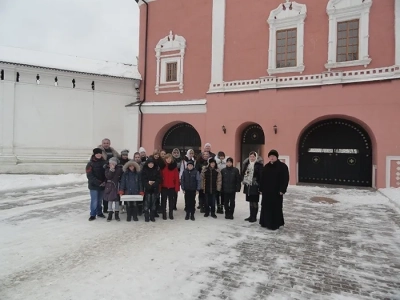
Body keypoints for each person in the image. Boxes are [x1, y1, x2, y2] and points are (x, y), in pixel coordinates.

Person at [259, 150, 289, 230]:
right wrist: (261, 188)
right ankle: (265, 222)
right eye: (270, 156)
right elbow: (262, 178)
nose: (272, 157)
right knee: (266, 207)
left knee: (276, 207)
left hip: (276, 192)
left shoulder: (282, 167)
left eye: (273, 156)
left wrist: (282, 189)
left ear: (276, 157)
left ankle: (275, 224)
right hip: (267, 191)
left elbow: (285, 179)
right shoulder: (266, 166)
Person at [242, 151, 263, 223]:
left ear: (256, 157)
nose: (252, 158)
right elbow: (243, 173)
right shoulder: (247, 164)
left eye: (253, 156)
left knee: (255, 201)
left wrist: (259, 185)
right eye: (250, 156)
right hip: (248, 185)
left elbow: (261, 176)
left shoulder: (259, 165)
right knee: (250, 201)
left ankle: (254, 217)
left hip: (255, 185)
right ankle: (251, 216)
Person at [86, 148, 106, 221]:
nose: (98, 155)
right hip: (93, 185)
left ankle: (99, 212)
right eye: (97, 153)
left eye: (99, 153)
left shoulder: (104, 162)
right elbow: (89, 175)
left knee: (100, 200)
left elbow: (106, 173)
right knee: (94, 200)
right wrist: (98, 182)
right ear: (94, 154)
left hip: (102, 185)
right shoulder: (90, 163)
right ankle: (93, 214)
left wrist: (104, 181)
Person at [159, 154, 180, 220]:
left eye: (169, 158)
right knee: (163, 201)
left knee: (171, 201)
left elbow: (176, 178)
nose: (168, 160)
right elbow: (160, 177)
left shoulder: (174, 167)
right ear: (165, 159)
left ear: (171, 159)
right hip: (164, 187)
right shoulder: (162, 167)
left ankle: (171, 214)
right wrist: (159, 187)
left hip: (171, 187)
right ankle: (164, 214)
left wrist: (177, 188)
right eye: (167, 158)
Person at [141, 157, 161, 222]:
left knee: (153, 203)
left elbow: (159, 179)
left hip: (155, 189)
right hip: (147, 189)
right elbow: (143, 180)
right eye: (149, 163)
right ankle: (146, 216)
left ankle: (152, 216)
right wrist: (148, 183)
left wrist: (154, 183)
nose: (151, 165)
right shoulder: (144, 170)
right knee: (147, 203)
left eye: (152, 163)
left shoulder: (156, 170)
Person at [104, 157, 123, 222]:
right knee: (110, 201)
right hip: (109, 186)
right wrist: (111, 170)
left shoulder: (119, 169)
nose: (112, 164)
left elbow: (121, 176)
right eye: (111, 163)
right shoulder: (107, 169)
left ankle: (116, 214)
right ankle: (110, 214)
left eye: (114, 163)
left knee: (117, 201)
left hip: (117, 186)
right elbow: (108, 176)